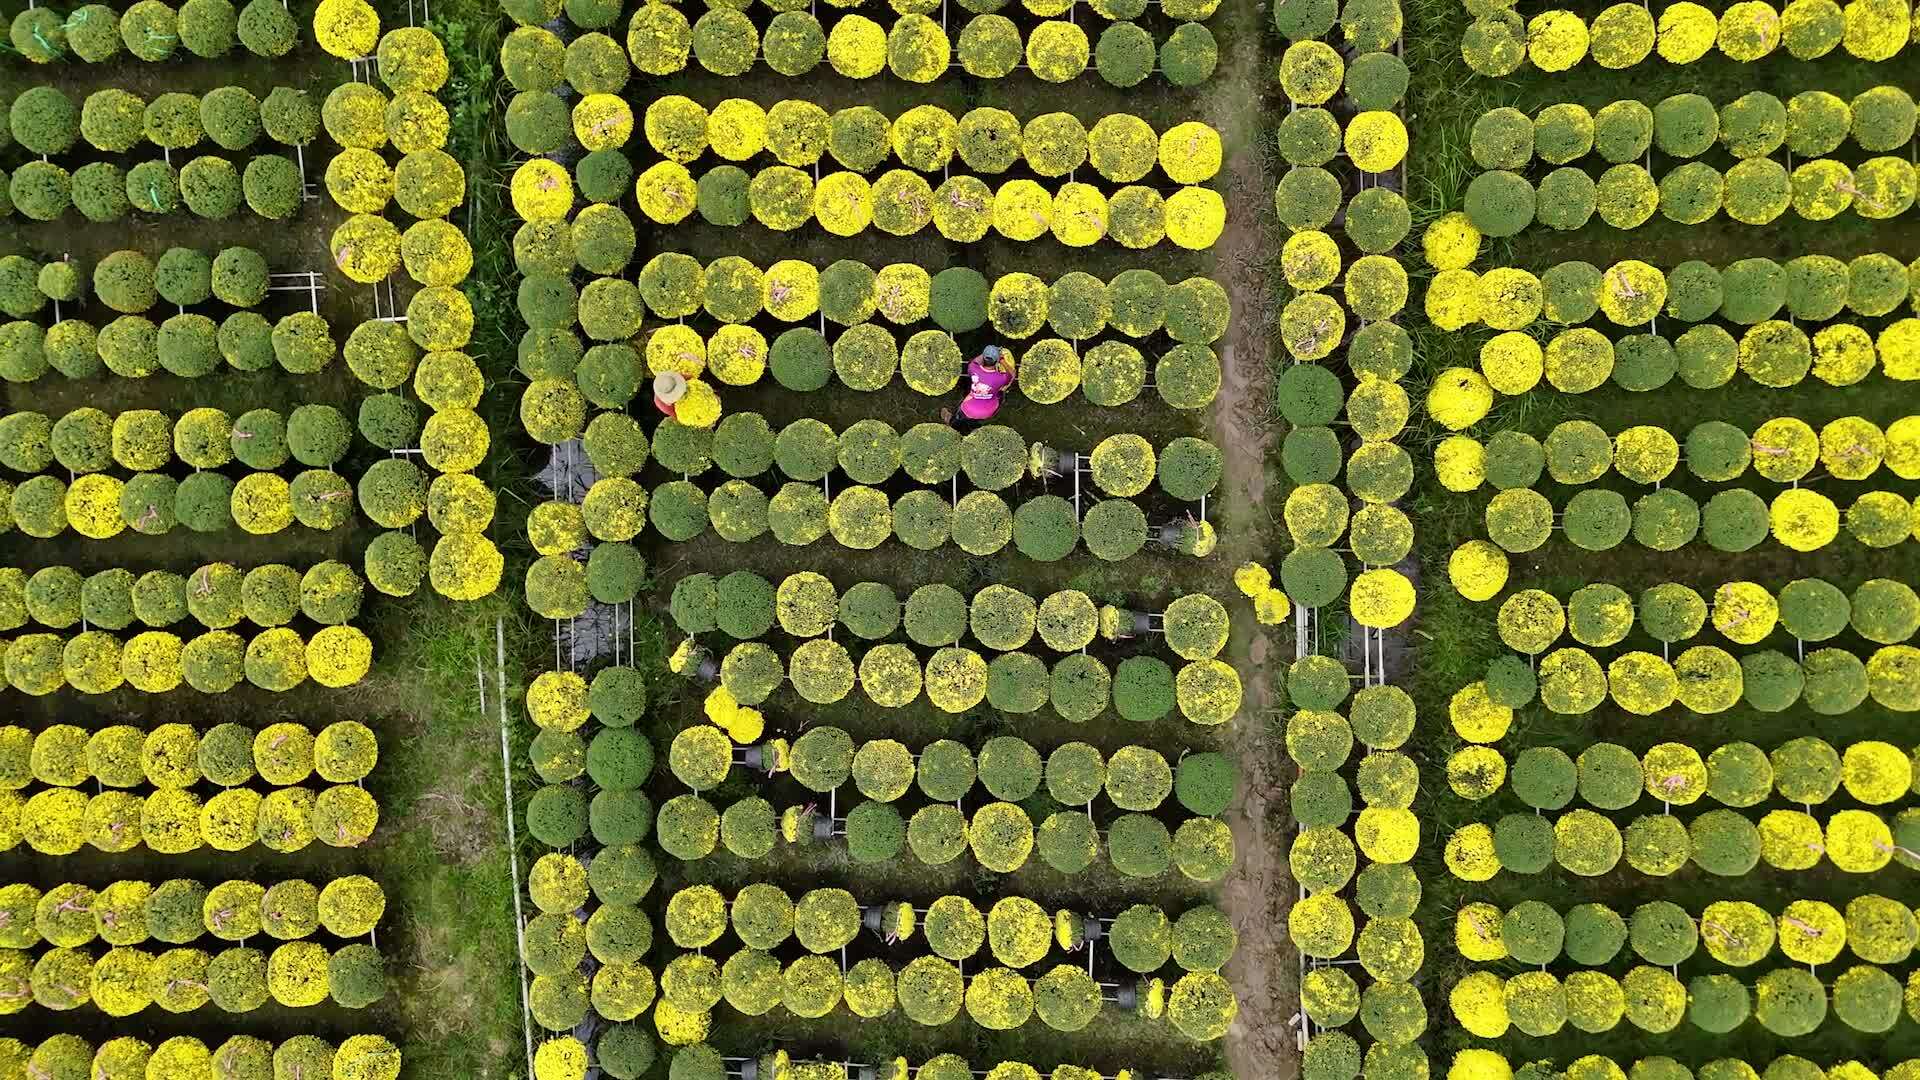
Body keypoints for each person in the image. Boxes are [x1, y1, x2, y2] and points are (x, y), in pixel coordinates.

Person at [945, 345, 1014, 430]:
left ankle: (952, 422)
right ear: (997, 361)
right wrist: (1002, 360)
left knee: (959, 417)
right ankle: (974, 427)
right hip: (988, 411)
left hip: (969, 409)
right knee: (999, 394)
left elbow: (975, 361)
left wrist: (986, 353)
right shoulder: (1001, 378)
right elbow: (1012, 373)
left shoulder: (973, 368)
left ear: (983, 357)